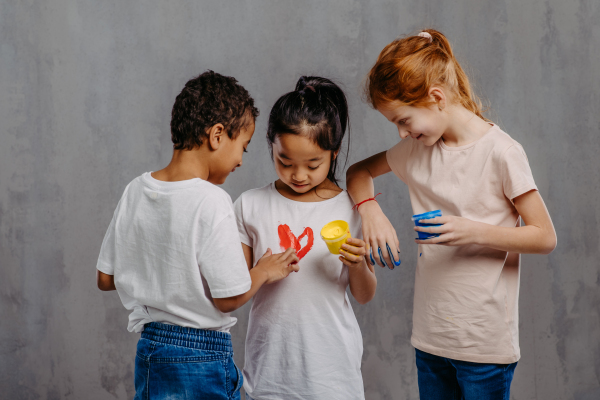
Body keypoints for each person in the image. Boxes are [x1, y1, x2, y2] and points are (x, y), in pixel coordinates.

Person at [346, 30, 557, 400]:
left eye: (404, 119)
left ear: (437, 97)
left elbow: (544, 236)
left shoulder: (502, 153)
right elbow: (358, 173)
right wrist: (370, 210)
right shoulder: (415, 151)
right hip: (430, 341)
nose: (401, 132)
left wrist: (470, 231)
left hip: (484, 346)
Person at [95, 70, 299, 400]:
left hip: (150, 351)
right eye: (243, 148)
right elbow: (227, 298)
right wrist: (263, 271)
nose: (240, 162)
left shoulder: (136, 189)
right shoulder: (212, 200)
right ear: (217, 135)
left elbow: (105, 278)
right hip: (200, 357)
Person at [234, 76, 377, 400]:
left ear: (334, 152)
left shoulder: (350, 208)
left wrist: (357, 265)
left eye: (313, 165)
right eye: (284, 162)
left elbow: (365, 294)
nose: (298, 175)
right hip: (269, 372)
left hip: (332, 375)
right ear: (271, 145)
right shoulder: (250, 205)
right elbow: (233, 290)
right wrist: (263, 272)